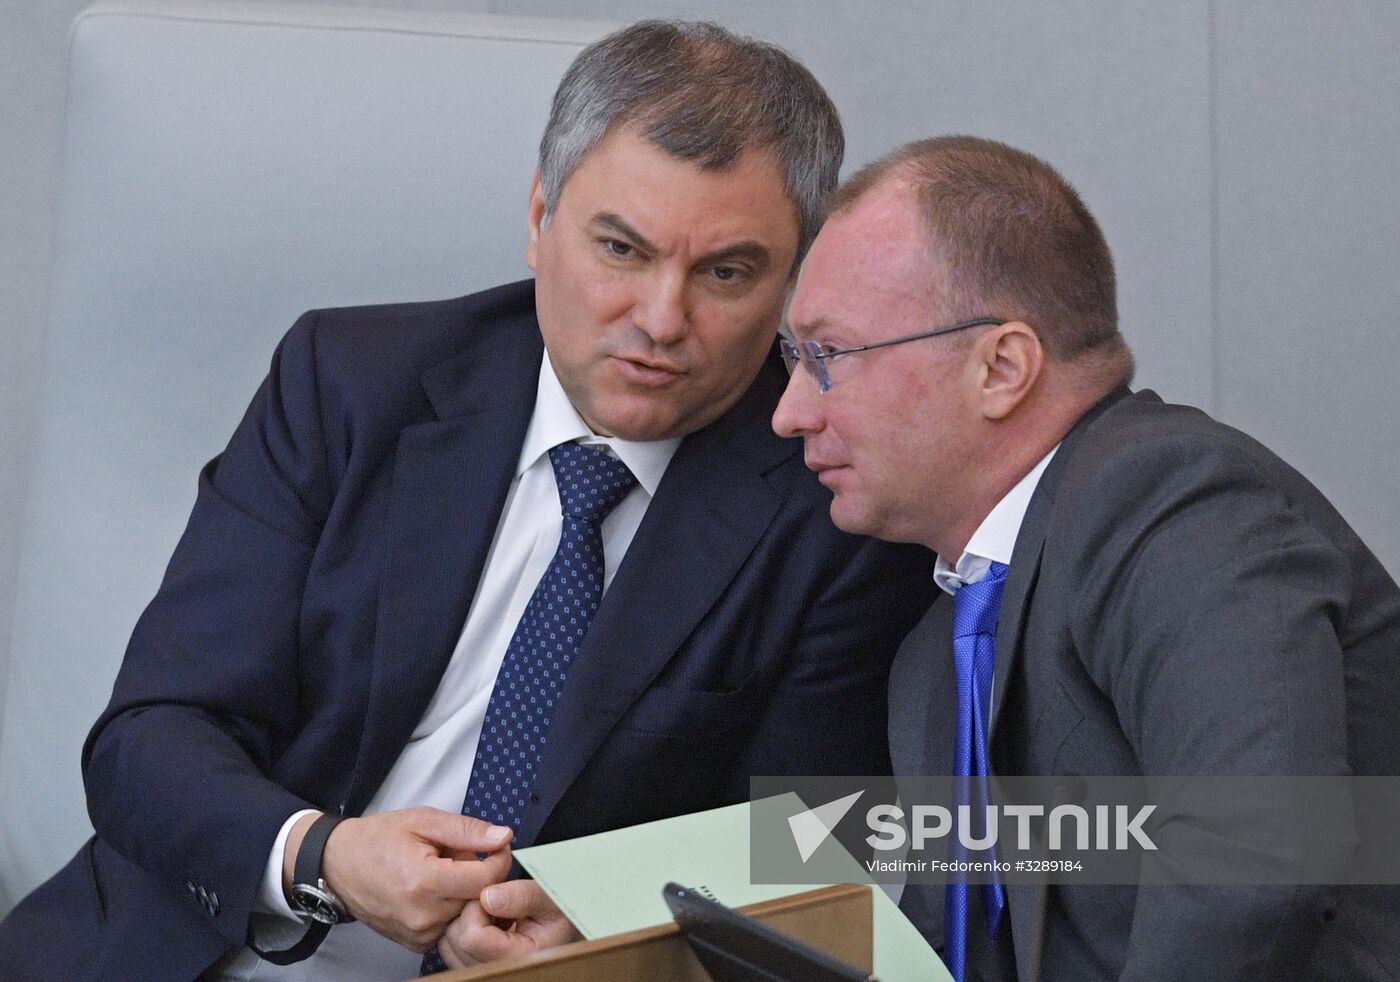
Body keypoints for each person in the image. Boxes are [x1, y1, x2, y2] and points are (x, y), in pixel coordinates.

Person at [0, 22, 935, 981]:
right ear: (539, 218)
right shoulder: (349, 387)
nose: (661, 320)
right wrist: (324, 857)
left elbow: (819, 851)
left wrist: (611, 916)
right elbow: (148, 741)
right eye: (620, 249)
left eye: (726, 273)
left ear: (798, 278)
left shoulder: (836, 506)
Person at [773, 135, 1400, 980]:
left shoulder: (1169, 501)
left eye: (826, 356)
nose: (790, 412)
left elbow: (1253, 855)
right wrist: (608, 919)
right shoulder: (939, 651)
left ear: (1001, 367)